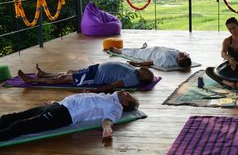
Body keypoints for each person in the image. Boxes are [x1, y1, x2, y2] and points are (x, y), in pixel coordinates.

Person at [0, 90, 139, 142]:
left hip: (64, 115)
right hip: (59, 106)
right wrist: (56, 102)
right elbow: (82, 99)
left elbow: (109, 119)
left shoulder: (116, 108)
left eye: (128, 95)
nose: (125, 92)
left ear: (126, 104)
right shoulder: (107, 96)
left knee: (21, 125)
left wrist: (107, 128)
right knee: (17, 116)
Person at [17, 61, 154, 93]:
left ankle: (32, 80)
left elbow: (115, 85)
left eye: (147, 73)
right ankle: (43, 74)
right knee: (69, 72)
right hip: (95, 69)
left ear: (144, 79)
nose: (146, 70)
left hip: (95, 77)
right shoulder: (134, 70)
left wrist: (96, 90)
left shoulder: (133, 79)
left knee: (63, 79)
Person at [109, 43, 192, 68]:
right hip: (154, 49)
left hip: (149, 54)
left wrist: (138, 64)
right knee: (137, 50)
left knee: (134, 52)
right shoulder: (178, 54)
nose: (182, 54)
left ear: (178, 61)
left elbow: (152, 62)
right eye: (184, 55)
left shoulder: (167, 61)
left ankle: (118, 51)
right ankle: (142, 48)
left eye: (182, 56)